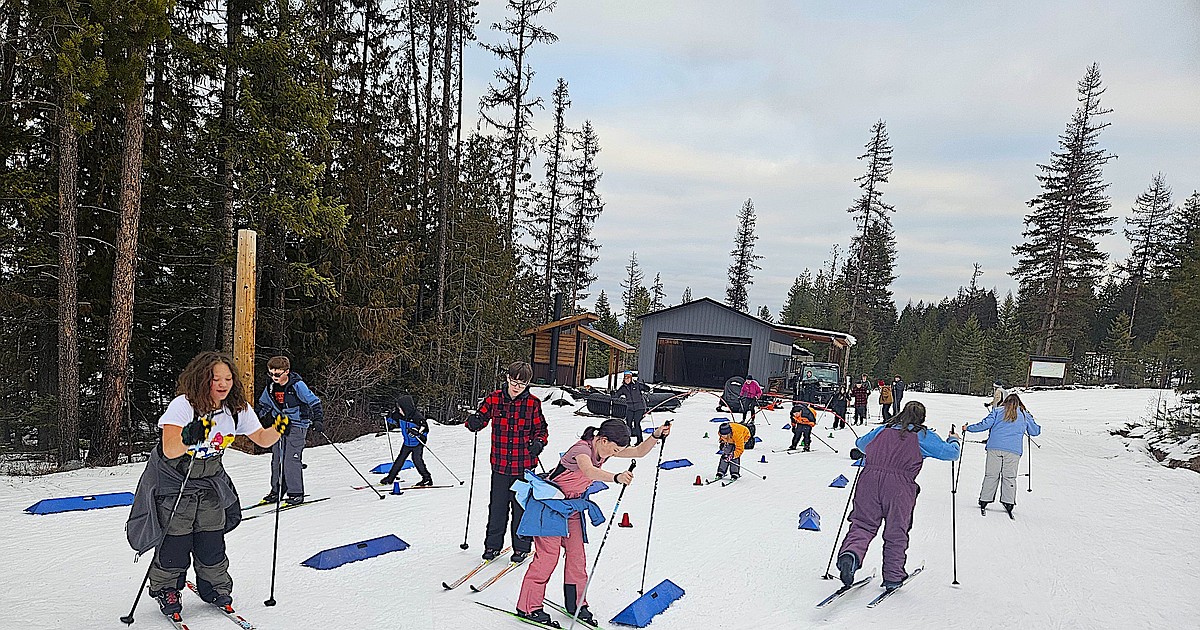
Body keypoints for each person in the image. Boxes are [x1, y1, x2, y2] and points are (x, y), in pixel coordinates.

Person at [126, 352, 285, 618]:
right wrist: (189, 436)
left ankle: (215, 587)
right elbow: (170, 448)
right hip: (175, 484)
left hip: (210, 483)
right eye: (216, 379)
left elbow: (261, 438)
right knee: (175, 541)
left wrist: (278, 428)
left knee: (211, 539)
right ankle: (166, 589)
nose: (223, 384)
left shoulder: (236, 409)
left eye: (228, 378)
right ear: (202, 379)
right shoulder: (183, 406)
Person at [513, 419, 672, 627]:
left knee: (577, 558)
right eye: (614, 450)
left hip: (571, 508)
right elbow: (588, 471)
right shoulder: (581, 450)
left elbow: (639, 451)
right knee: (547, 559)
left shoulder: (604, 449)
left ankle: (576, 604)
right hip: (549, 508)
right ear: (603, 440)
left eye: (617, 451)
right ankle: (528, 607)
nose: (614, 454)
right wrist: (616, 477)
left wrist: (656, 435)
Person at [835, 401, 961, 590]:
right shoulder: (922, 435)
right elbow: (951, 454)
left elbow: (860, 444)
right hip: (899, 486)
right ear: (922, 418)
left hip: (868, 480)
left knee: (862, 524)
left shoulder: (884, 429)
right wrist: (954, 439)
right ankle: (893, 576)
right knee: (896, 529)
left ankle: (851, 555)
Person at [465, 361, 549, 563]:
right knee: (497, 508)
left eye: (522, 383)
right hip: (500, 464)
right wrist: (474, 422)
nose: (517, 387)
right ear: (507, 378)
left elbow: (541, 430)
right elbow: (479, 419)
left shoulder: (533, 403)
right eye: (514, 381)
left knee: (520, 509)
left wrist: (539, 442)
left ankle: (521, 547)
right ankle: (492, 546)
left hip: (524, 466)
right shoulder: (494, 398)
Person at [255, 356, 324, 505]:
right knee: (277, 459)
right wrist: (254, 418)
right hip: (280, 425)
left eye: (277, 374)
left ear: (286, 371)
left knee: (291, 459)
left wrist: (318, 419)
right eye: (271, 373)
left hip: (297, 424)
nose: (274, 377)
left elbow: (314, 401)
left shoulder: (297, 385)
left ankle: (296, 493)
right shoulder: (271, 387)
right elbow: (264, 405)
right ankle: (277, 490)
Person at [963, 394, 1041, 518]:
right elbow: (1035, 431)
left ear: (1005, 401)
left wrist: (968, 428)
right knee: (1009, 477)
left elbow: (984, 424)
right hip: (1013, 451)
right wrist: (1030, 417)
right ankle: (1008, 502)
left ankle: (984, 500)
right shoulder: (1024, 414)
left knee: (991, 475)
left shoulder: (997, 411)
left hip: (994, 447)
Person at [379, 394, 432, 487]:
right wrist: (387, 416)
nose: (399, 410)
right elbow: (393, 420)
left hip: (417, 443)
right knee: (400, 460)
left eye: (400, 408)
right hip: (407, 442)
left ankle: (427, 479)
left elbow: (425, 430)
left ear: (405, 407)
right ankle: (390, 478)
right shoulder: (399, 415)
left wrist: (417, 433)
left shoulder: (417, 417)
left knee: (417, 460)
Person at [614, 370, 650, 445]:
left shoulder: (637, 385)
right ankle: (627, 442)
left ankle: (640, 441)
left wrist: (645, 387)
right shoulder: (623, 387)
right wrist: (613, 394)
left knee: (637, 423)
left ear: (631, 378)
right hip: (630, 408)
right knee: (628, 424)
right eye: (625, 378)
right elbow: (616, 395)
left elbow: (647, 389)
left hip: (639, 407)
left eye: (628, 378)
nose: (627, 379)